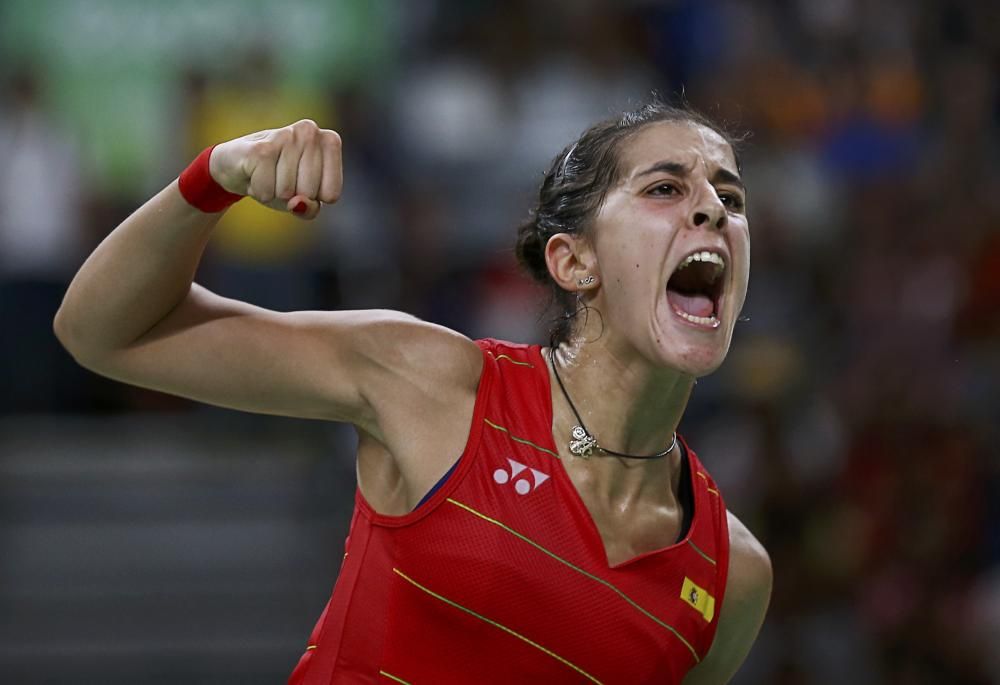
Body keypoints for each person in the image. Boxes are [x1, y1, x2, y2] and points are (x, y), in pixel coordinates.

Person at [55, 100, 771, 684]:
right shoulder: (432, 384)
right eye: (665, 188)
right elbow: (106, 330)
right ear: (574, 260)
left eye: (729, 196)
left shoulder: (730, 574)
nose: (712, 209)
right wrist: (215, 176)